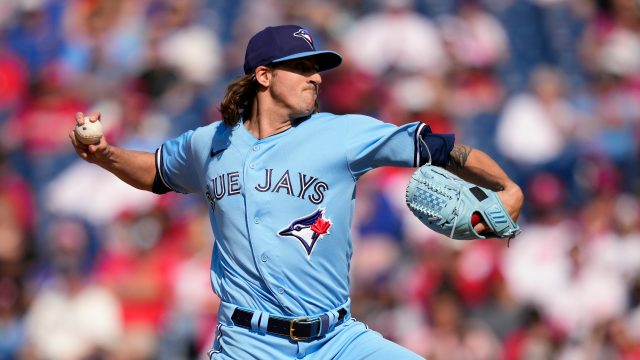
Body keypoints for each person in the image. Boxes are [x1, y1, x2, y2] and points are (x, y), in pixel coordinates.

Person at [69, 25, 523, 360]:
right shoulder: (210, 144)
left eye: (317, 69)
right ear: (264, 76)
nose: (317, 78)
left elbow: (442, 148)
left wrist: (506, 188)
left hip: (337, 339)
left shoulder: (343, 134)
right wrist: (106, 155)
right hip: (249, 344)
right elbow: (157, 172)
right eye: (303, 68)